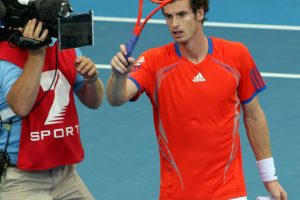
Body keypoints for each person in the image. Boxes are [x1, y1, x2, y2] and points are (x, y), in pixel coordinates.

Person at [106, 0, 288, 199]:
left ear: (199, 13)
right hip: (176, 194)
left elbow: (254, 117)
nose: (174, 24)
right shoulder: (153, 62)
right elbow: (117, 97)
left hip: (229, 192)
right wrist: (118, 76)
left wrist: (269, 178)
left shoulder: (236, 55)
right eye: (168, 16)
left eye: (182, 14)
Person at [0, 18, 104, 200]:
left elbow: (94, 102)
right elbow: (21, 106)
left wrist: (92, 79)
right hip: (21, 180)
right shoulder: (5, 54)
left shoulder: (64, 45)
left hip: (66, 175)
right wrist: (36, 55)